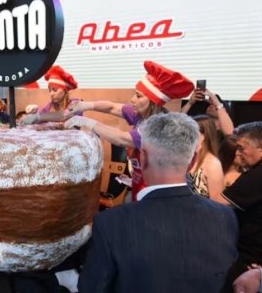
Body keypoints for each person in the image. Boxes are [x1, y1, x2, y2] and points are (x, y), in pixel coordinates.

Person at [77, 112, 238, 293]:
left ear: (142, 158)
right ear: (193, 160)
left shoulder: (110, 223)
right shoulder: (224, 216)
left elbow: (92, 288)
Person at [64, 61, 195, 201]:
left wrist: (87, 122)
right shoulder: (140, 115)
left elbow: (121, 139)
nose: (133, 100)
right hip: (140, 187)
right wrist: (85, 105)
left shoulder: (156, 127)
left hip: (154, 196)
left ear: (153, 101)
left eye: (139, 96)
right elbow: (112, 107)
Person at [217, 122, 262, 289]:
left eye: (241, 148)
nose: (238, 154)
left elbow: (216, 206)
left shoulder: (259, 176)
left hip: (253, 260)